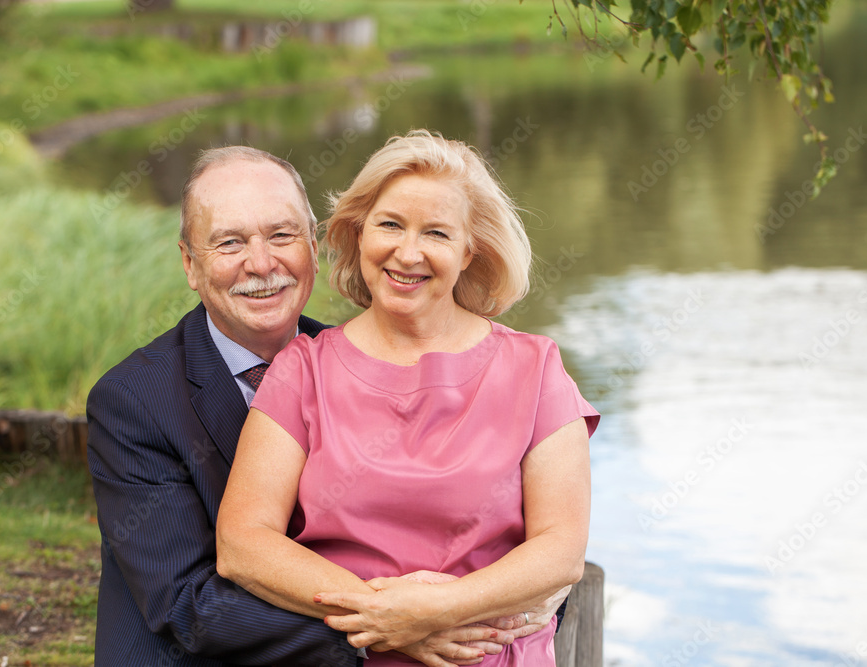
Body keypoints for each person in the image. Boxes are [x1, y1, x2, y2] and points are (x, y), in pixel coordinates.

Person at [86, 145, 537, 666]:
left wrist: (511, 602)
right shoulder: (134, 401)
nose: (261, 264)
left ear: (314, 245)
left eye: (282, 235)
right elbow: (190, 605)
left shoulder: (352, 364)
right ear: (190, 263)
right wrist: (391, 627)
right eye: (230, 242)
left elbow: (470, 526)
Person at [215, 131, 600, 666]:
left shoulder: (535, 369)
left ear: (470, 251)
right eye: (390, 224)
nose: (408, 252)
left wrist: (442, 608)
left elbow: (561, 550)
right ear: (358, 232)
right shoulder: (302, 370)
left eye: (436, 233)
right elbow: (242, 543)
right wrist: (390, 620)